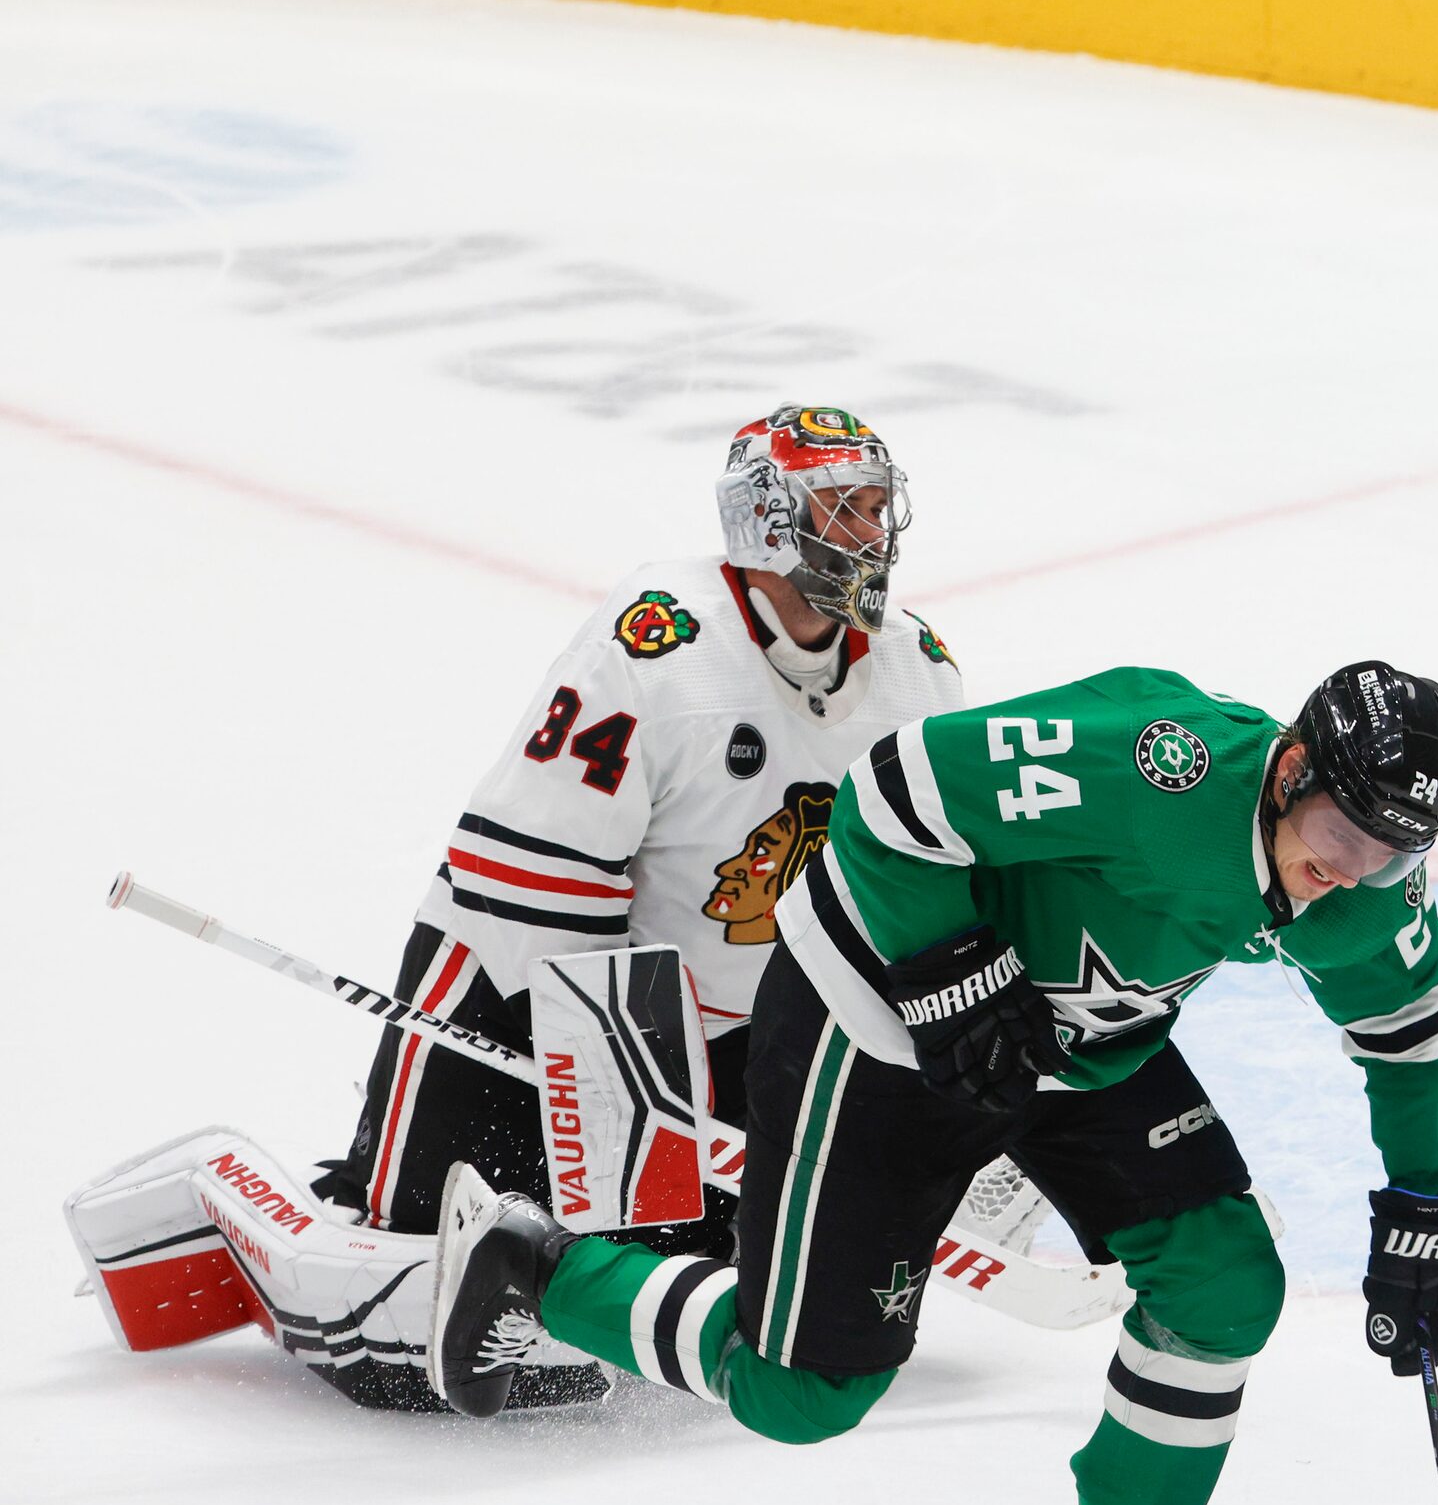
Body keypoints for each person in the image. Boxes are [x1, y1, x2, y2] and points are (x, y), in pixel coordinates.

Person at [425, 660, 1438, 1505]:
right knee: (800, 1394)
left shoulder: (1355, 879)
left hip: (1071, 1042)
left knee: (1222, 1281)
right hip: (881, 1020)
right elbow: (892, 791)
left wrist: (1427, 1204)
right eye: (1343, 838)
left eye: (1391, 856)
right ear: (1291, 768)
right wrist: (946, 970)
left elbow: (1413, 1028)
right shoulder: (1158, 764)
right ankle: (534, 1265)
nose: (1351, 873)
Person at [303, 404, 988, 1409]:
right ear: (763, 519)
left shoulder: (917, 670)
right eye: (837, 508)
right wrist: (615, 1098)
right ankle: (376, 1196)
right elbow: (534, 885)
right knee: (403, 1298)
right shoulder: (658, 642)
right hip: (519, 981)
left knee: (697, 1273)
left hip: (748, 1018)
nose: (864, 535)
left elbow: (933, 884)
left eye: (874, 509)